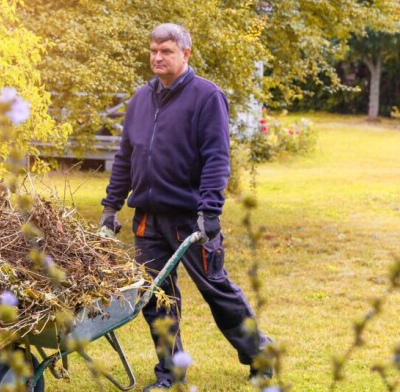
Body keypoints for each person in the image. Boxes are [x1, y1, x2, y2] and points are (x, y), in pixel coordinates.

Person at [98, 23, 272, 391]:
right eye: (153, 51)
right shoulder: (141, 99)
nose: (157, 58)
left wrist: (210, 211)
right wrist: (111, 207)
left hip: (190, 219)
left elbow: (216, 158)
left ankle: (259, 353)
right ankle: (170, 375)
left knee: (216, 291)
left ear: (185, 54)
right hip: (148, 219)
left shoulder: (206, 97)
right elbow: (126, 157)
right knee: (156, 300)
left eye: (166, 51)